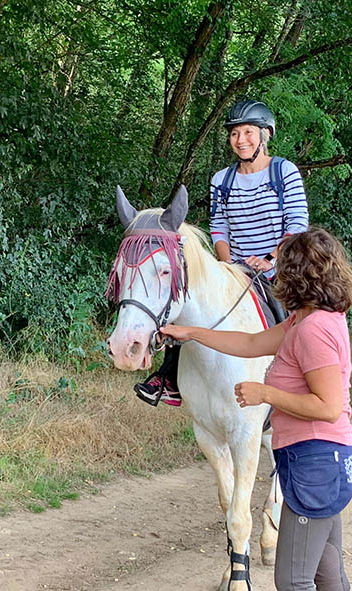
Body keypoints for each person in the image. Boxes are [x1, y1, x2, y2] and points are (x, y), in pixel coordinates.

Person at [160, 227, 352, 591]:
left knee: (293, 580)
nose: (275, 274)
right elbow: (252, 342)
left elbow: (329, 406)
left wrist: (265, 393)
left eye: (282, 267)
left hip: (315, 463)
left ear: (299, 274)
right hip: (321, 462)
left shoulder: (313, 330)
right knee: (327, 574)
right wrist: (191, 333)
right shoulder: (307, 320)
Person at [134, 99, 309, 406]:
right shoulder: (221, 180)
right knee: (189, 303)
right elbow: (219, 227)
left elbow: (297, 225)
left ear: (265, 134)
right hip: (235, 266)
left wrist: (270, 259)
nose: (240, 140)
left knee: (298, 320)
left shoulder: (284, 172)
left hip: (280, 267)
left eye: (248, 132)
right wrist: (226, 266)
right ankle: (169, 378)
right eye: (234, 133)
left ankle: (304, 381)